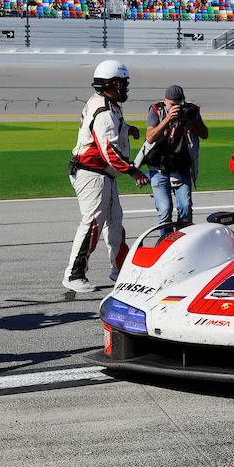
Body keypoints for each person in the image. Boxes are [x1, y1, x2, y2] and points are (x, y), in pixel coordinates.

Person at [63, 59, 148, 294]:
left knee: (115, 223)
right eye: (122, 83)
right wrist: (133, 171)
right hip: (92, 174)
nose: (125, 88)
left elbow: (109, 130)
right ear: (111, 83)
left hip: (102, 175)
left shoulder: (107, 104)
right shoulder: (104, 110)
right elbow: (108, 150)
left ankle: (119, 267)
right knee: (92, 224)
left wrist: (127, 128)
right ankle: (74, 274)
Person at [143, 84, 208, 228]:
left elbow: (205, 134)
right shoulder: (156, 110)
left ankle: (183, 241)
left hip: (181, 166)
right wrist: (167, 120)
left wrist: (193, 120)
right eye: (172, 104)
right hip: (158, 166)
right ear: (165, 100)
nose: (175, 108)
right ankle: (165, 244)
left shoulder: (190, 111)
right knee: (165, 209)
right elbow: (149, 137)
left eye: (178, 104)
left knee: (185, 207)